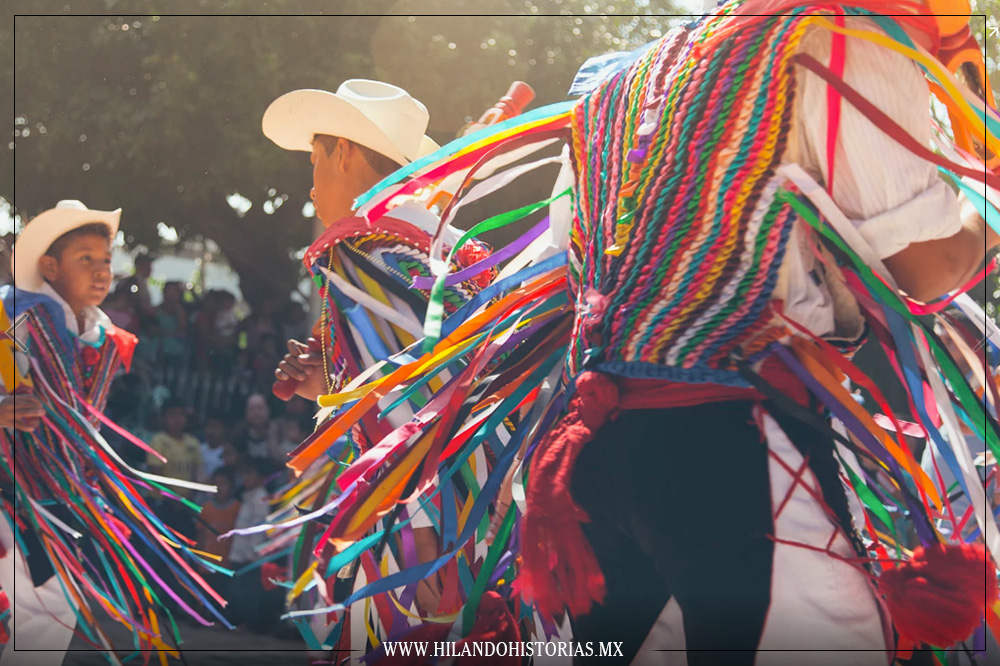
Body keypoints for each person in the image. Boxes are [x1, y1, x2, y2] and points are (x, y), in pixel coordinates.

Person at [0, 201, 226, 665]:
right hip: (14, 498)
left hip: (60, 503)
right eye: (85, 258)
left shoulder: (99, 335)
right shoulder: (15, 320)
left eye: (106, 260)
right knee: (43, 611)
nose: (102, 271)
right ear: (49, 266)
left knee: (48, 613)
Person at [196, 466, 241, 567]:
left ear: (232, 485)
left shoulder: (237, 508)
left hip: (228, 562)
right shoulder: (206, 508)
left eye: (223, 484)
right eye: (216, 484)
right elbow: (201, 536)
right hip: (208, 562)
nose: (219, 488)